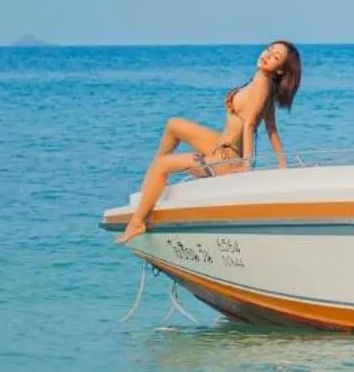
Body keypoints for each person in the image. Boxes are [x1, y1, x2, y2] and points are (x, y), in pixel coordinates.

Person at [117, 40, 303, 242]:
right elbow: (271, 128)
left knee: (163, 164)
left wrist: (245, 167)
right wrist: (282, 164)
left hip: (225, 159)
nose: (267, 55)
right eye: (269, 49)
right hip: (222, 145)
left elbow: (250, 127)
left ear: (280, 71)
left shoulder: (261, 88)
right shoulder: (263, 84)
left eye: (275, 57)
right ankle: (151, 188)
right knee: (174, 125)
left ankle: (137, 223)